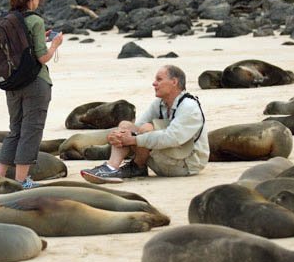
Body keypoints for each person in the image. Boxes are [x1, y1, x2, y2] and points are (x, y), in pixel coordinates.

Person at [80, 65, 209, 184]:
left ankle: (137, 166)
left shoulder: (189, 107)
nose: (154, 83)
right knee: (126, 126)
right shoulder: (160, 103)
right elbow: (138, 127)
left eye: (159, 79)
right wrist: (117, 136)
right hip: (168, 159)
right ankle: (111, 167)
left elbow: (172, 138)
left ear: (174, 82)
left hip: (186, 165)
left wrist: (133, 139)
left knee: (145, 130)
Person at [0, 0, 63, 189]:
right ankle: (22, 180)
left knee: (14, 130)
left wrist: (40, 38)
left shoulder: (7, 19)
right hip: (35, 83)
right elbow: (42, 58)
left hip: (12, 83)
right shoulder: (35, 20)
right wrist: (55, 44)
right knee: (31, 130)